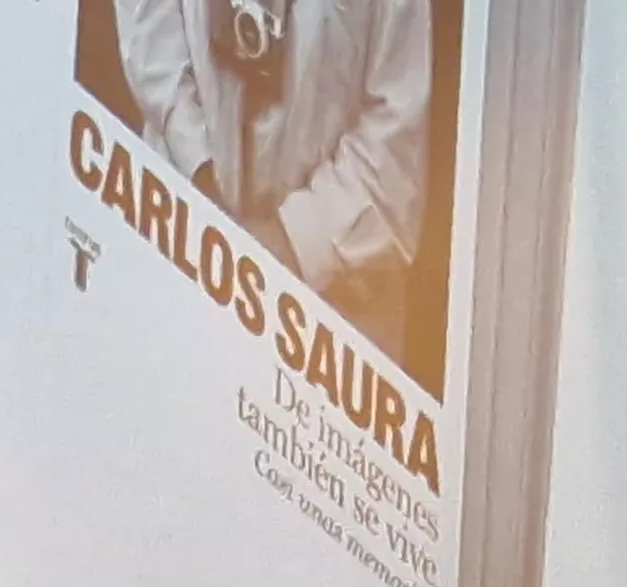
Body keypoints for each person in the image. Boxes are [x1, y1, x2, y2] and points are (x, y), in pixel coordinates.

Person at [112, 0, 433, 351]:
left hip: (324, 319)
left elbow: (393, 153)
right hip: (186, 239)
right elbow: (150, 37)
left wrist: (279, 246)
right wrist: (202, 185)